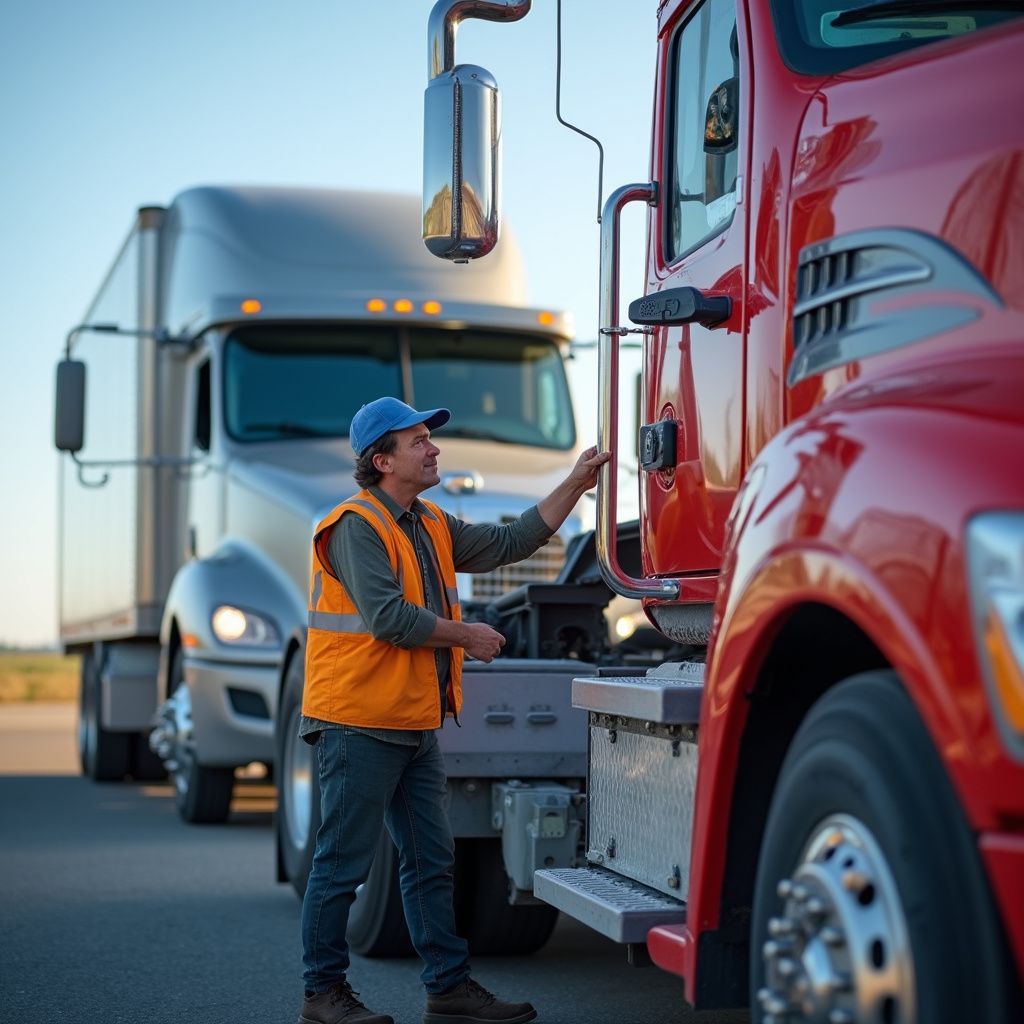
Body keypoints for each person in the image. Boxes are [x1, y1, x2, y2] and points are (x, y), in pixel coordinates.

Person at [297, 397, 610, 1024]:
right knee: (342, 864)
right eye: (418, 441)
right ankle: (322, 995)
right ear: (381, 460)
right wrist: (468, 636)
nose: (434, 448)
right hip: (356, 721)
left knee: (430, 863)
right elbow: (390, 619)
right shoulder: (356, 525)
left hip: (412, 723)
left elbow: (512, 540)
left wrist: (576, 482)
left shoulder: (428, 522)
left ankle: (448, 989)